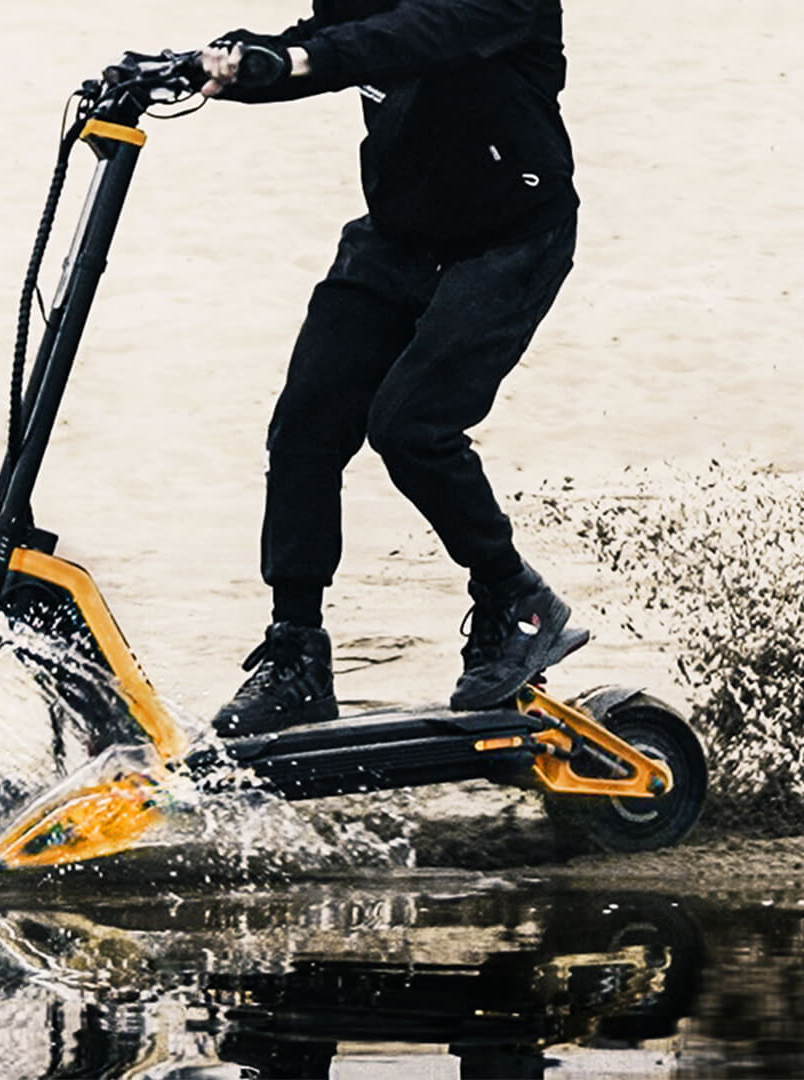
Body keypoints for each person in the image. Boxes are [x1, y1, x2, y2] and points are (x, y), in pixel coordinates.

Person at [200, 0, 588, 736]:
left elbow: (411, 36)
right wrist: (220, 66)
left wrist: (303, 58)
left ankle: (517, 600)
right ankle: (296, 655)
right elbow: (329, 40)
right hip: (398, 237)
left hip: (509, 241)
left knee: (411, 427)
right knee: (305, 427)